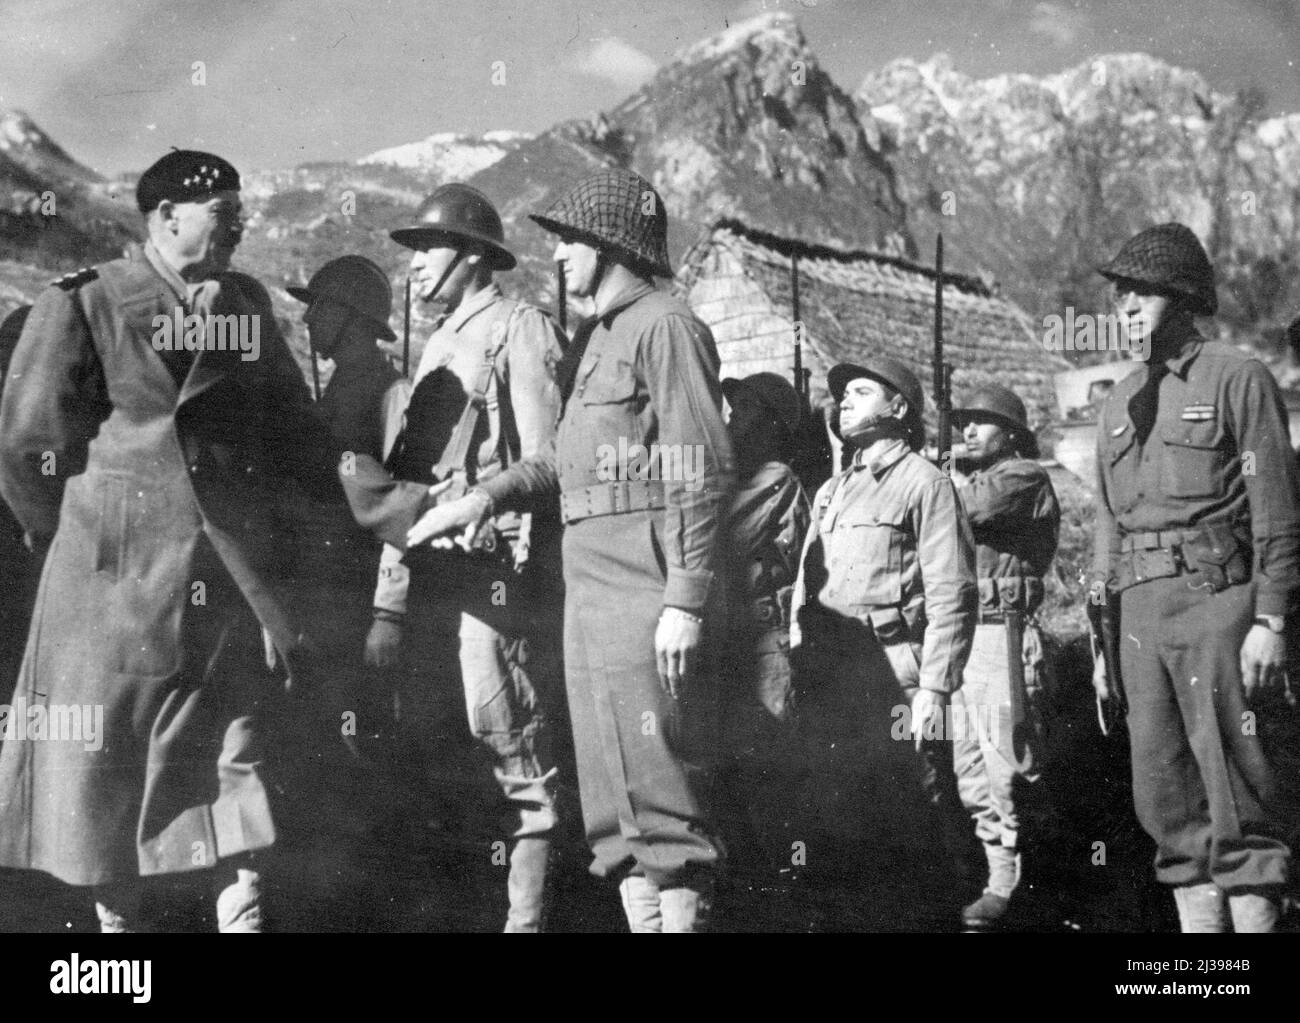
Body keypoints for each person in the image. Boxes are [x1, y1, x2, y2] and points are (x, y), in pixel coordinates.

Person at [0, 149, 338, 932]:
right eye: (226, 211)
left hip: (222, 583)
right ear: (166, 217)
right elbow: (25, 445)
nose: (240, 225)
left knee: (231, 769)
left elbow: (290, 430)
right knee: (103, 786)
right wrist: (79, 544)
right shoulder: (87, 304)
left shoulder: (245, 305)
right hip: (109, 592)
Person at [407, 169, 736, 932]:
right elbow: (560, 457)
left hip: (644, 576)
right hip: (589, 581)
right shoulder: (599, 335)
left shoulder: (664, 323)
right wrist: (482, 496)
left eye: (566, 241)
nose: (555, 257)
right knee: (609, 805)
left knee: (660, 792)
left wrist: (685, 598)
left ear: (606, 244)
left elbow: (704, 464)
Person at [339, 183, 566, 932]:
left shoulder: (521, 329)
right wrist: (388, 607)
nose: (414, 268)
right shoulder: (437, 347)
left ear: (473, 255)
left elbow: (550, 465)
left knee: (518, 765)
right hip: (434, 587)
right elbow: (412, 488)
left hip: (497, 590)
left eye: (428, 250)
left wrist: (490, 515)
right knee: (449, 764)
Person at [1091, 222, 1300, 932]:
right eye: (1119, 297)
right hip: (1141, 622)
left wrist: (1271, 620)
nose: (1124, 310)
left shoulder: (1237, 377)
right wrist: (1102, 640)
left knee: (1239, 799)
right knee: (1168, 806)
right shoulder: (1117, 401)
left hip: (1220, 606)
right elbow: (1107, 524)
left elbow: (1276, 508)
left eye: (1140, 295)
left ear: (1182, 299)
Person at [790, 357, 976, 914]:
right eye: (842, 393)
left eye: (862, 391)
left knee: (913, 814)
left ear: (899, 408)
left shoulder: (926, 484)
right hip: (829, 669)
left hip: (897, 669)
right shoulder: (833, 490)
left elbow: (953, 593)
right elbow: (806, 585)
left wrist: (935, 691)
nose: (844, 400)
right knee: (841, 814)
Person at [284, 255, 410, 830]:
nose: (307, 319)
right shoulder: (343, 386)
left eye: (319, 307)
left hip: (360, 598)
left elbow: (399, 505)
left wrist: (390, 611)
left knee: (366, 737)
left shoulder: (387, 390)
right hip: (329, 593)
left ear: (348, 315)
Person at [949, 383, 1060, 929]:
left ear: (1011, 433)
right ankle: (1001, 881)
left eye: (981, 421)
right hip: (962, 633)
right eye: (962, 421)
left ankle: (1036, 884)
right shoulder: (969, 477)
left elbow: (967, 509)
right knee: (970, 769)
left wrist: (934, 477)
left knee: (1010, 767)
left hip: (1003, 634)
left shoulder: (1023, 476)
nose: (966, 430)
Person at [717, 373, 811, 889]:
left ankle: (785, 882)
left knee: (768, 765)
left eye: (747, 408)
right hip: (729, 635)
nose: (733, 417)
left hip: (761, 638)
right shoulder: (734, 473)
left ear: (773, 424)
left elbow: (722, 533)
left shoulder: (774, 477)